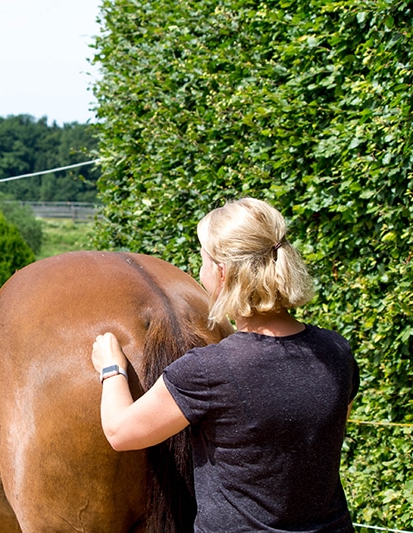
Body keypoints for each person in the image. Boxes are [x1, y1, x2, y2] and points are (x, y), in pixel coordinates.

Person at [92, 197, 358, 532]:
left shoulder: (209, 369)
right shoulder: (336, 350)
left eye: (203, 261)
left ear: (221, 272)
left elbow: (121, 432)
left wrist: (111, 368)